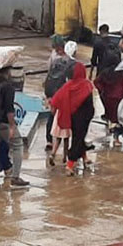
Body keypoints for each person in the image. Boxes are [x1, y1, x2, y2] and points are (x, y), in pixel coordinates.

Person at [0, 66, 29, 190]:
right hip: (3, 123)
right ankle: (15, 177)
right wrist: (12, 126)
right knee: (17, 145)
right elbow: (9, 109)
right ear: (7, 72)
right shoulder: (8, 87)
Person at [52, 63, 95, 176]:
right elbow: (90, 103)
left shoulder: (67, 86)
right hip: (84, 118)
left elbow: (55, 99)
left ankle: (84, 157)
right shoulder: (87, 85)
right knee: (78, 139)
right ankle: (70, 164)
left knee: (79, 137)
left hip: (74, 117)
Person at [43, 35, 76, 164]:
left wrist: (48, 92)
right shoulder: (70, 61)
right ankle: (64, 154)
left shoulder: (53, 58)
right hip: (63, 95)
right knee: (63, 124)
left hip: (53, 92)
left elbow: (49, 73)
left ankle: (50, 141)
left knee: (52, 117)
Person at [95, 38, 123, 146]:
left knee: (112, 118)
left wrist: (102, 91)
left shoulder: (104, 72)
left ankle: (113, 133)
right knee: (119, 119)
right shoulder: (120, 72)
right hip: (119, 98)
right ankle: (117, 138)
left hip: (108, 99)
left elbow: (96, 82)